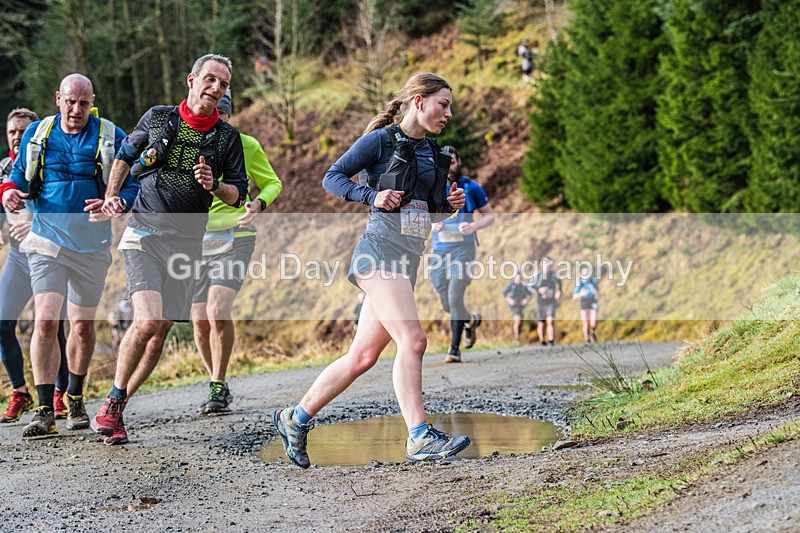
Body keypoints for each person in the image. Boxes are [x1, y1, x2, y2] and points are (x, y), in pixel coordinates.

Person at [272, 72, 469, 468]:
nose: (449, 113)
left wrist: (449, 205)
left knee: (362, 357)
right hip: (376, 254)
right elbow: (332, 177)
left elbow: (426, 215)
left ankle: (296, 417)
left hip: (406, 260)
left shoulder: (433, 152)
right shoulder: (381, 140)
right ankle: (418, 438)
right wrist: (371, 195)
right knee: (413, 340)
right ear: (418, 100)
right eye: (442, 104)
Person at [92, 54, 248, 445]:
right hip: (144, 235)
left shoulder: (228, 139)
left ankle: (117, 408)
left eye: (223, 85)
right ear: (191, 79)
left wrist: (215, 185)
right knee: (147, 321)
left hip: (187, 246)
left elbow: (239, 194)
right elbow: (125, 157)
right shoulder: (159, 117)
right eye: (210, 80)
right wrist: (112, 196)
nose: (216, 88)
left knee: (159, 330)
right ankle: (112, 403)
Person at [1, 75, 137, 437]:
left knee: (80, 326)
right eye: (70, 102)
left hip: (92, 247)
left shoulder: (110, 135)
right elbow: (16, 175)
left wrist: (117, 202)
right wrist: (10, 194)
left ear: (92, 101)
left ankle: (74, 396)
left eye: (83, 103)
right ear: (57, 98)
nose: (76, 110)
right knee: (45, 321)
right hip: (46, 242)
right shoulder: (39, 134)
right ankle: (45, 407)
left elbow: (135, 179)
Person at [193, 89, 282, 415]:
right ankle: (217, 381)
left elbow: (273, 183)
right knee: (199, 320)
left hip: (237, 233)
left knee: (217, 309)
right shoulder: (189, 143)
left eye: (222, 112)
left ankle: (217, 384)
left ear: (229, 115)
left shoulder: (245, 144)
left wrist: (258, 203)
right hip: (196, 240)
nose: (216, 118)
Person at [0, 108, 70, 423]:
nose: (17, 136)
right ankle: (20, 392)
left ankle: (58, 394)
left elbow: (66, 205)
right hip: (18, 256)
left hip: (53, 252)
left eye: (23, 131)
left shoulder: (51, 159)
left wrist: (36, 226)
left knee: (52, 326)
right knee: (2, 323)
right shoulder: (4, 168)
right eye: (12, 131)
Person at [430, 144, 493, 363]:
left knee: (456, 296)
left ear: (459, 163)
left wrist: (474, 227)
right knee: (447, 302)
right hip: (439, 251)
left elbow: (489, 216)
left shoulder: (472, 187)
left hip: (463, 249)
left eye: (453, 161)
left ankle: (454, 349)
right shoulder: (431, 187)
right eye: (445, 162)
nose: (449, 166)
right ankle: (470, 320)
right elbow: (416, 216)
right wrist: (431, 225)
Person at [533, 256, 562, 346]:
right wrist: (539, 290)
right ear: (541, 264)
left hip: (551, 302)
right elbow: (530, 287)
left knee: (551, 321)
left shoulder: (554, 275)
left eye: (548, 263)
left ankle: (551, 341)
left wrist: (559, 292)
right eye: (545, 263)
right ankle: (542, 341)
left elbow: (560, 285)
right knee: (541, 323)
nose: (547, 265)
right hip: (541, 302)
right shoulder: (537, 276)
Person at [502, 274, 533, 343]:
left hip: (521, 306)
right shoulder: (511, 285)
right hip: (514, 306)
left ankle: (518, 337)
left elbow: (530, 294)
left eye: (519, 278)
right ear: (514, 278)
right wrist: (510, 300)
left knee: (521, 322)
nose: (518, 280)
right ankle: (516, 338)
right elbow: (504, 293)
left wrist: (526, 300)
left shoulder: (523, 285)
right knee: (517, 321)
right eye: (517, 278)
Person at [573, 265, 599, 343]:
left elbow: (598, 294)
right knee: (586, 322)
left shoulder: (593, 281)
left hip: (593, 302)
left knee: (593, 323)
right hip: (584, 302)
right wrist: (581, 294)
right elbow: (574, 296)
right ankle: (587, 340)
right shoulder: (579, 283)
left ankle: (592, 331)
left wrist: (595, 294)